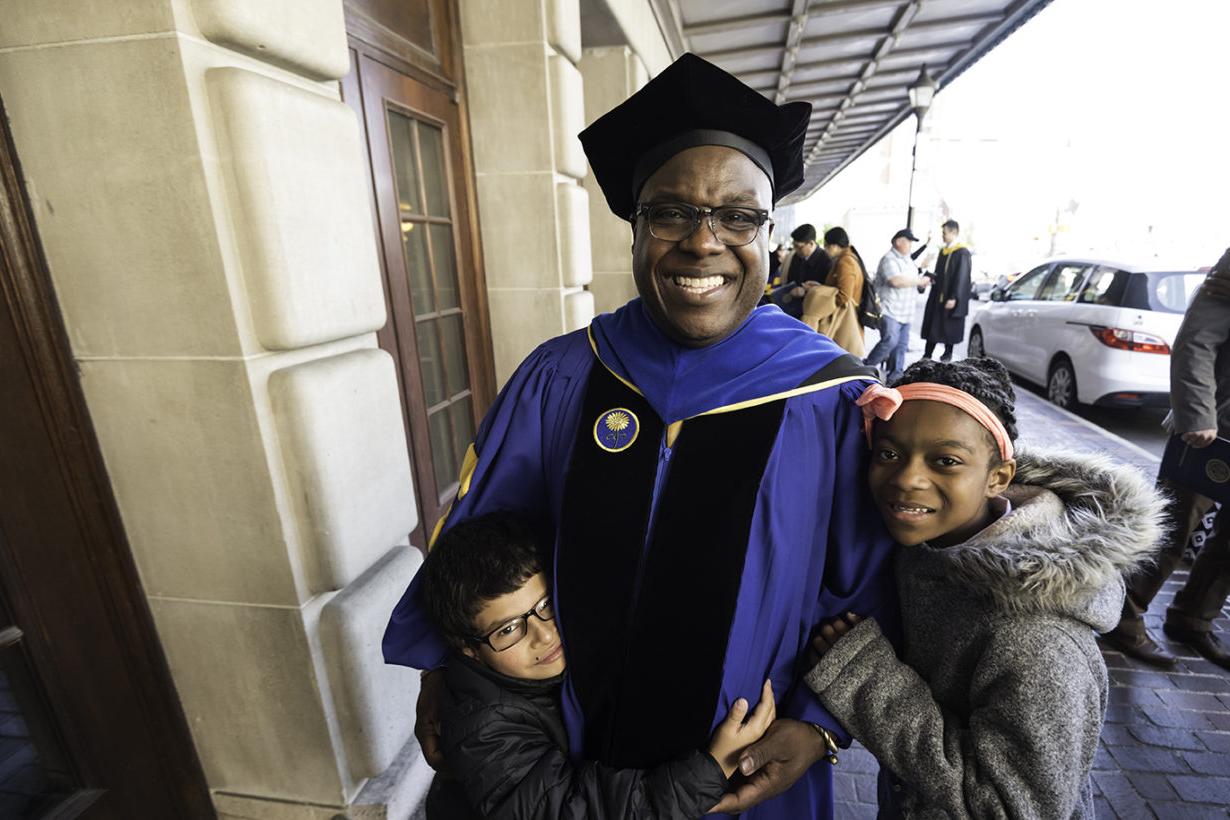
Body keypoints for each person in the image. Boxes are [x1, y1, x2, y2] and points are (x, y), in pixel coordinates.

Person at [384, 52, 898, 819]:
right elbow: (476, 541)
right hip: (571, 757)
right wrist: (440, 679)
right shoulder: (565, 375)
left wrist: (819, 731)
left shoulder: (830, 399)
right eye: (671, 212)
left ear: (768, 233)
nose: (704, 242)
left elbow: (871, 588)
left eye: (737, 216)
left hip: (747, 775)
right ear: (635, 228)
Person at [804, 358, 1163, 818]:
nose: (907, 479)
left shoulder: (1037, 641)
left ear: (999, 477)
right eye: (888, 454)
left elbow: (1014, 808)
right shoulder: (928, 543)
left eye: (946, 461)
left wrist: (870, 679)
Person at [419, 512, 776, 819]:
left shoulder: (545, 665)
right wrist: (708, 773)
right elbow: (567, 811)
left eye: (546, 605)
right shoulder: (481, 725)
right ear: (469, 650)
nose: (544, 635)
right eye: (509, 628)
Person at [1101, 247, 1230, 669]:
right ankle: (1124, 616)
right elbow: (1197, 338)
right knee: (1175, 523)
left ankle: (1193, 619)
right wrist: (1197, 413)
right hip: (1214, 426)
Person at [863, 228, 929, 382]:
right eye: (909, 242)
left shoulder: (908, 261)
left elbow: (911, 281)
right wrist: (919, 281)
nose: (911, 245)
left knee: (900, 347)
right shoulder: (889, 259)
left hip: (906, 313)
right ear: (898, 242)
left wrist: (921, 283)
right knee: (890, 341)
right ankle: (865, 368)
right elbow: (895, 281)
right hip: (890, 310)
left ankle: (895, 379)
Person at [921, 219, 972, 361]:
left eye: (945, 233)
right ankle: (927, 354)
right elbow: (939, 272)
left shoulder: (962, 252)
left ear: (953, 232)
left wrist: (954, 297)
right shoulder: (944, 251)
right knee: (933, 324)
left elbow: (962, 277)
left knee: (949, 326)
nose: (942, 236)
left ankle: (947, 353)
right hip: (938, 295)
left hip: (950, 297)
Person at [773, 223, 830, 319]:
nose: (796, 250)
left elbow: (827, 291)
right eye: (794, 246)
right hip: (793, 307)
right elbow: (791, 278)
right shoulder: (797, 256)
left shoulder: (825, 260)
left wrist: (806, 291)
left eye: (799, 247)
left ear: (811, 243)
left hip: (813, 312)